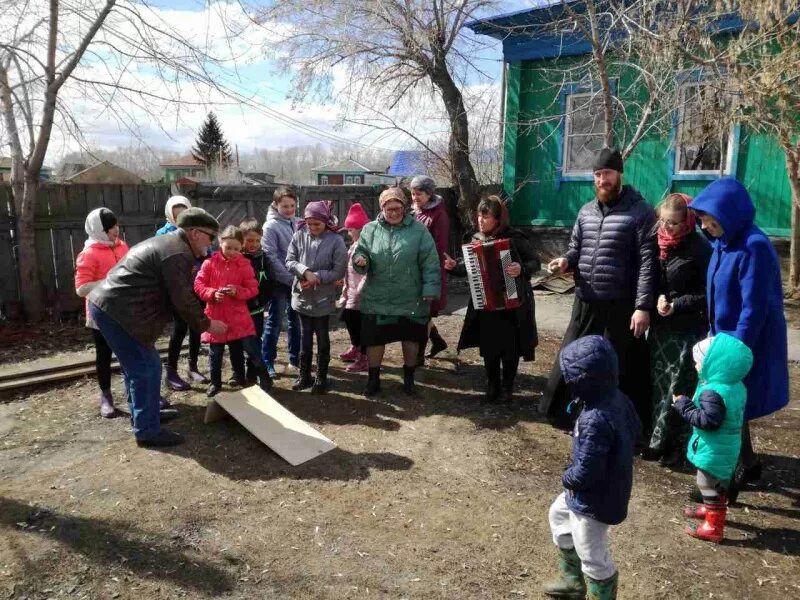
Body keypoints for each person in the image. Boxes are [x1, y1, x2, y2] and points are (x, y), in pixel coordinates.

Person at [89, 208, 228, 447]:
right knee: (145, 367)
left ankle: (146, 415)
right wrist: (207, 324)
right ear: (194, 233)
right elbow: (182, 299)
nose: (212, 242)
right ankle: (146, 430)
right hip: (118, 311)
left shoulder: (174, 246)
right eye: (210, 236)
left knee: (142, 366)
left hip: (117, 308)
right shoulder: (176, 253)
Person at [542, 148, 657, 431]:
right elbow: (575, 249)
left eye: (606, 173)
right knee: (572, 357)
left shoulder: (640, 212)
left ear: (619, 174)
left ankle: (619, 425)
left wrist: (643, 306)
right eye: (597, 174)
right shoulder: (586, 212)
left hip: (621, 305)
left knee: (618, 368)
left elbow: (647, 263)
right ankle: (561, 414)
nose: (601, 180)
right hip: (586, 300)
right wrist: (565, 261)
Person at [689, 177, 789, 493]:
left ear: (729, 213)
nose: (704, 225)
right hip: (724, 338)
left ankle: (725, 478)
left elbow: (754, 306)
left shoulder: (753, 246)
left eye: (709, 219)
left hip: (744, 343)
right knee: (732, 405)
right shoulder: (723, 242)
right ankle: (747, 462)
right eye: (702, 219)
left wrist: (734, 352)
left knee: (727, 404)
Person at [543, 335, 640, 600]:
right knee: (558, 516)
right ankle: (572, 580)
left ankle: (601, 593)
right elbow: (635, 429)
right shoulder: (617, 399)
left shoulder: (594, 419)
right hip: (589, 491)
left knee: (592, 553)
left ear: (583, 381)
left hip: (595, 498)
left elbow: (587, 471)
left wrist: (569, 476)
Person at [444, 196, 539, 404]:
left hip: (512, 304)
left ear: (498, 219)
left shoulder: (515, 238)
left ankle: (508, 387)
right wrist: (454, 267)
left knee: (511, 348)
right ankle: (492, 384)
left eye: (485, 217)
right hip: (486, 303)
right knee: (489, 347)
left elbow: (535, 262)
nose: (481, 220)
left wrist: (521, 269)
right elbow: (469, 268)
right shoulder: (476, 239)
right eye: (479, 216)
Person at [352, 187, 441, 397]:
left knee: (410, 337)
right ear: (382, 208)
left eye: (397, 208)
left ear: (404, 207)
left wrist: (430, 288)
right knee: (375, 339)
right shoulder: (370, 230)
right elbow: (361, 252)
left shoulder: (419, 231)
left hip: (410, 295)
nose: (393, 213)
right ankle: (373, 380)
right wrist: (360, 261)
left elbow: (430, 261)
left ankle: (409, 379)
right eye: (388, 208)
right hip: (378, 295)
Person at [645, 193, 711, 466]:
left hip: (687, 329)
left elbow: (709, 293)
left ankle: (679, 445)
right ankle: (656, 440)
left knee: (680, 385)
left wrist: (678, 304)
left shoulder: (700, 249)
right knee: (658, 386)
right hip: (661, 329)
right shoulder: (658, 243)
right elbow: (651, 278)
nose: (666, 228)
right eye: (663, 221)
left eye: (673, 223)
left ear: (687, 221)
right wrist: (658, 298)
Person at [673, 334, 752, 543]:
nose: (696, 366)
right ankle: (710, 510)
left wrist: (684, 405)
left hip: (714, 448)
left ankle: (713, 526)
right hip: (728, 445)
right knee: (719, 482)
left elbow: (707, 421)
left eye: (699, 362)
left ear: (715, 364)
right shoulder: (735, 385)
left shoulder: (713, 392)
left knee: (707, 483)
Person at [194, 226, 273, 397]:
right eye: (228, 247)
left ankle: (264, 378)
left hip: (239, 316)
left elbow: (253, 289)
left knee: (251, 349)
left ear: (241, 247)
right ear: (220, 243)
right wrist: (212, 294)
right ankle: (215, 383)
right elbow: (199, 285)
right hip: (216, 316)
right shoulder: (209, 263)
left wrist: (237, 291)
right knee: (216, 353)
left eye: (236, 248)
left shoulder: (244, 264)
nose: (232, 251)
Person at [285, 201, 348, 394]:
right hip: (302, 296)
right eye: (309, 224)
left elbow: (338, 270)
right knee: (305, 337)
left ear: (325, 222)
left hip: (322, 298)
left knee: (322, 336)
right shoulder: (299, 235)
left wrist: (317, 277)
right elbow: (289, 260)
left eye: (317, 225)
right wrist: (304, 272)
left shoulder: (336, 240)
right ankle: (304, 375)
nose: (313, 228)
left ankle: (321, 376)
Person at [74, 208, 130, 418]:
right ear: (98, 230)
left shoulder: (123, 246)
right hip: (101, 314)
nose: (115, 230)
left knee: (129, 354)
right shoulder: (88, 254)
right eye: (109, 228)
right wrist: (110, 281)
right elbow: (81, 288)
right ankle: (106, 396)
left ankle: (135, 393)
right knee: (104, 355)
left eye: (116, 226)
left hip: (125, 311)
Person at [156, 195, 208, 391]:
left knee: (197, 327)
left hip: (197, 285)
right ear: (170, 215)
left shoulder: (198, 231)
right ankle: (171, 370)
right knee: (179, 329)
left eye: (184, 215)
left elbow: (206, 253)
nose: (180, 220)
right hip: (178, 288)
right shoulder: (164, 234)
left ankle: (193, 366)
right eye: (176, 216)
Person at [262, 186, 301, 378]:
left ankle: (295, 360)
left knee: (296, 321)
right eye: (285, 206)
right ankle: (267, 361)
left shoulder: (298, 222)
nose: (289, 209)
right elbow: (270, 256)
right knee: (275, 321)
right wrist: (288, 277)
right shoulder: (270, 226)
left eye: (292, 205)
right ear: (275, 204)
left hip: (297, 280)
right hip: (279, 281)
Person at [410, 175, 451, 363]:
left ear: (429, 193)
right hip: (415, 270)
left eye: (419, 194)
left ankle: (418, 355)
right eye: (412, 193)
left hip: (429, 271)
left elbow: (438, 246)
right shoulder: (416, 212)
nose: (414, 197)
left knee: (425, 313)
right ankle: (437, 341)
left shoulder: (439, 215)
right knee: (421, 312)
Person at [337, 202, 371, 373]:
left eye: (351, 230)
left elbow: (365, 272)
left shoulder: (366, 246)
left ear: (360, 228)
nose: (349, 233)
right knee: (350, 321)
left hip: (361, 294)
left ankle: (364, 357)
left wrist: (361, 291)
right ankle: (355, 347)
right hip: (351, 293)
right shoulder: (354, 245)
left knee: (361, 326)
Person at [240, 218, 272, 384]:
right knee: (239, 344)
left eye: (257, 240)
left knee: (255, 340)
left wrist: (261, 300)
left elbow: (269, 283)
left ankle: (252, 373)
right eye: (249, 240)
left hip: (257, 310)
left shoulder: (263, 258)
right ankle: (238, 373)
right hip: (239, 310)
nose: (253, 244)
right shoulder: (237, 258)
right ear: (242, 239)